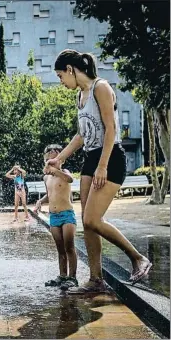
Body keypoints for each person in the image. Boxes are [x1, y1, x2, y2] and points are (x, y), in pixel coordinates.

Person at [46, 49, 151, 294]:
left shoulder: (100, 88)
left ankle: (137, 258)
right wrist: (59, 159)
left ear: (71, 70)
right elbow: (82, 135)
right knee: (87, 222)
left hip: (110, 157)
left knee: (93, 219)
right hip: (91, 159)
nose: (61, 82)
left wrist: (103, 165)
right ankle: (96, 280)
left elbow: (111, 128)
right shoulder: (80, 96)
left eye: (61, 76)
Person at [34, 144, 78, 291]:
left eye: (55, 159)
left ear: (61, 160)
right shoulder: (46, 177)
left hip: (67, 215)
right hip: (54, 216)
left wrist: (55, 170)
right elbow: (50, 194)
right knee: (60, 249)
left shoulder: (64, 172)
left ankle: (72, 278)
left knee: (69, 247)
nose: (51, 163)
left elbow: (70, 179)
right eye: (49, 161)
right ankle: (62, 275)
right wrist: (41, 201)